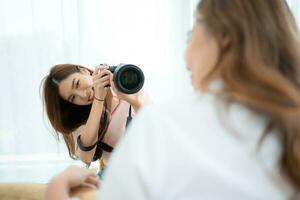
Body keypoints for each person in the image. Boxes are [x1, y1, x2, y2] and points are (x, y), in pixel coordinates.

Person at [46, 0, 300, 199]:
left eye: (191, 36)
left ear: (223, 40)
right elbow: (86, 154)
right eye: (73, 97)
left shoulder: (165, 125)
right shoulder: (287, 125)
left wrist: (56, 188)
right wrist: (99, 101)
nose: (186, 55)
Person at [42, 63, 145, 167]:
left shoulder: (125, 83)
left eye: (77, 84)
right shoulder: (82, 121)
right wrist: (98, 99)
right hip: (120, 176)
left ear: (83, 70)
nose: (83, 95)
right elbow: (86, 157)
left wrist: (132, 100)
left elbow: (156, 127)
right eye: (73, 98)